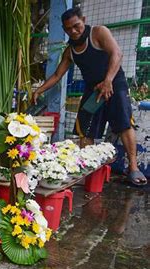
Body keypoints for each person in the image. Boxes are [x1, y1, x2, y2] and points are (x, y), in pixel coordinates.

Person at [32, 7, 147, 186]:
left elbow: (117, 53)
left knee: (124, 124)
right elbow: (56, 76)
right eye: (69, 29)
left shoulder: (99, 32)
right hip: (93, 91)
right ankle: (87, 168)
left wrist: (108, 80)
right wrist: (39, 90)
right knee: (85, 130)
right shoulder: (70, 51)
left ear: (83, 20)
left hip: (115, 84)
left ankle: (133, 167)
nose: (74, 31)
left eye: (77, 26)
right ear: (64, 29)